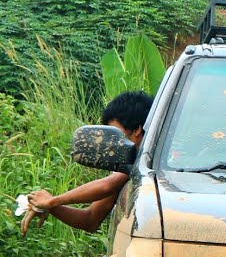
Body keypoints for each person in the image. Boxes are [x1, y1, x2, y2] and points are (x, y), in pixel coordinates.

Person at [25, 91, 154, 234]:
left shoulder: (154, 160)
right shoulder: (128, 166)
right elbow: (90, 219)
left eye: (116, 135)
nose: (112, 143)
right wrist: (51, 206)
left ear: (137, 129)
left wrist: (53, 201)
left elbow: (107, 185)